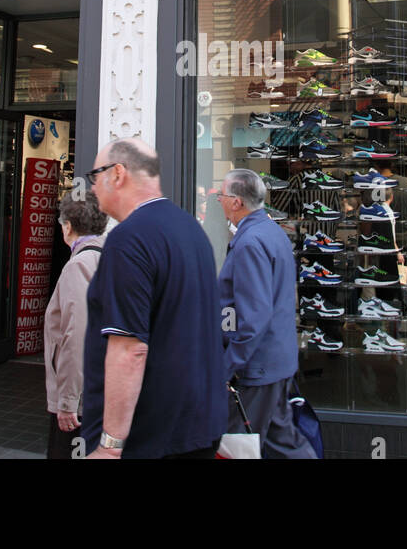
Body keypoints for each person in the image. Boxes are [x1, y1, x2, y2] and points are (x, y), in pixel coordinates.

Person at [80, 138, 225, 459]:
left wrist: (110, 446)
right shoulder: (190, 228)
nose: (90, 188)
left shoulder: (128, 240)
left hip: (149, 439)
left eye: (94, 176)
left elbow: (129, 349)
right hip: (197, 429)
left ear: (117, 174)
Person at [216, 169, 316, 458]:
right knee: (283, 443)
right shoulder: (272, 232)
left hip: (257, 368)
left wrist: (227, 366)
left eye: (222, 196)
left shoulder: (250, 242)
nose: (219, 201)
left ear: (236, 202)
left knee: (237, 447)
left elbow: (253, 316)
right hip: (276, 362)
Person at [43, 190, 108, 459]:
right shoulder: (110, 257)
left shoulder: (79, 265)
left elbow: (76, 335)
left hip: (83, 399)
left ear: (67, 226)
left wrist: (68, 402)